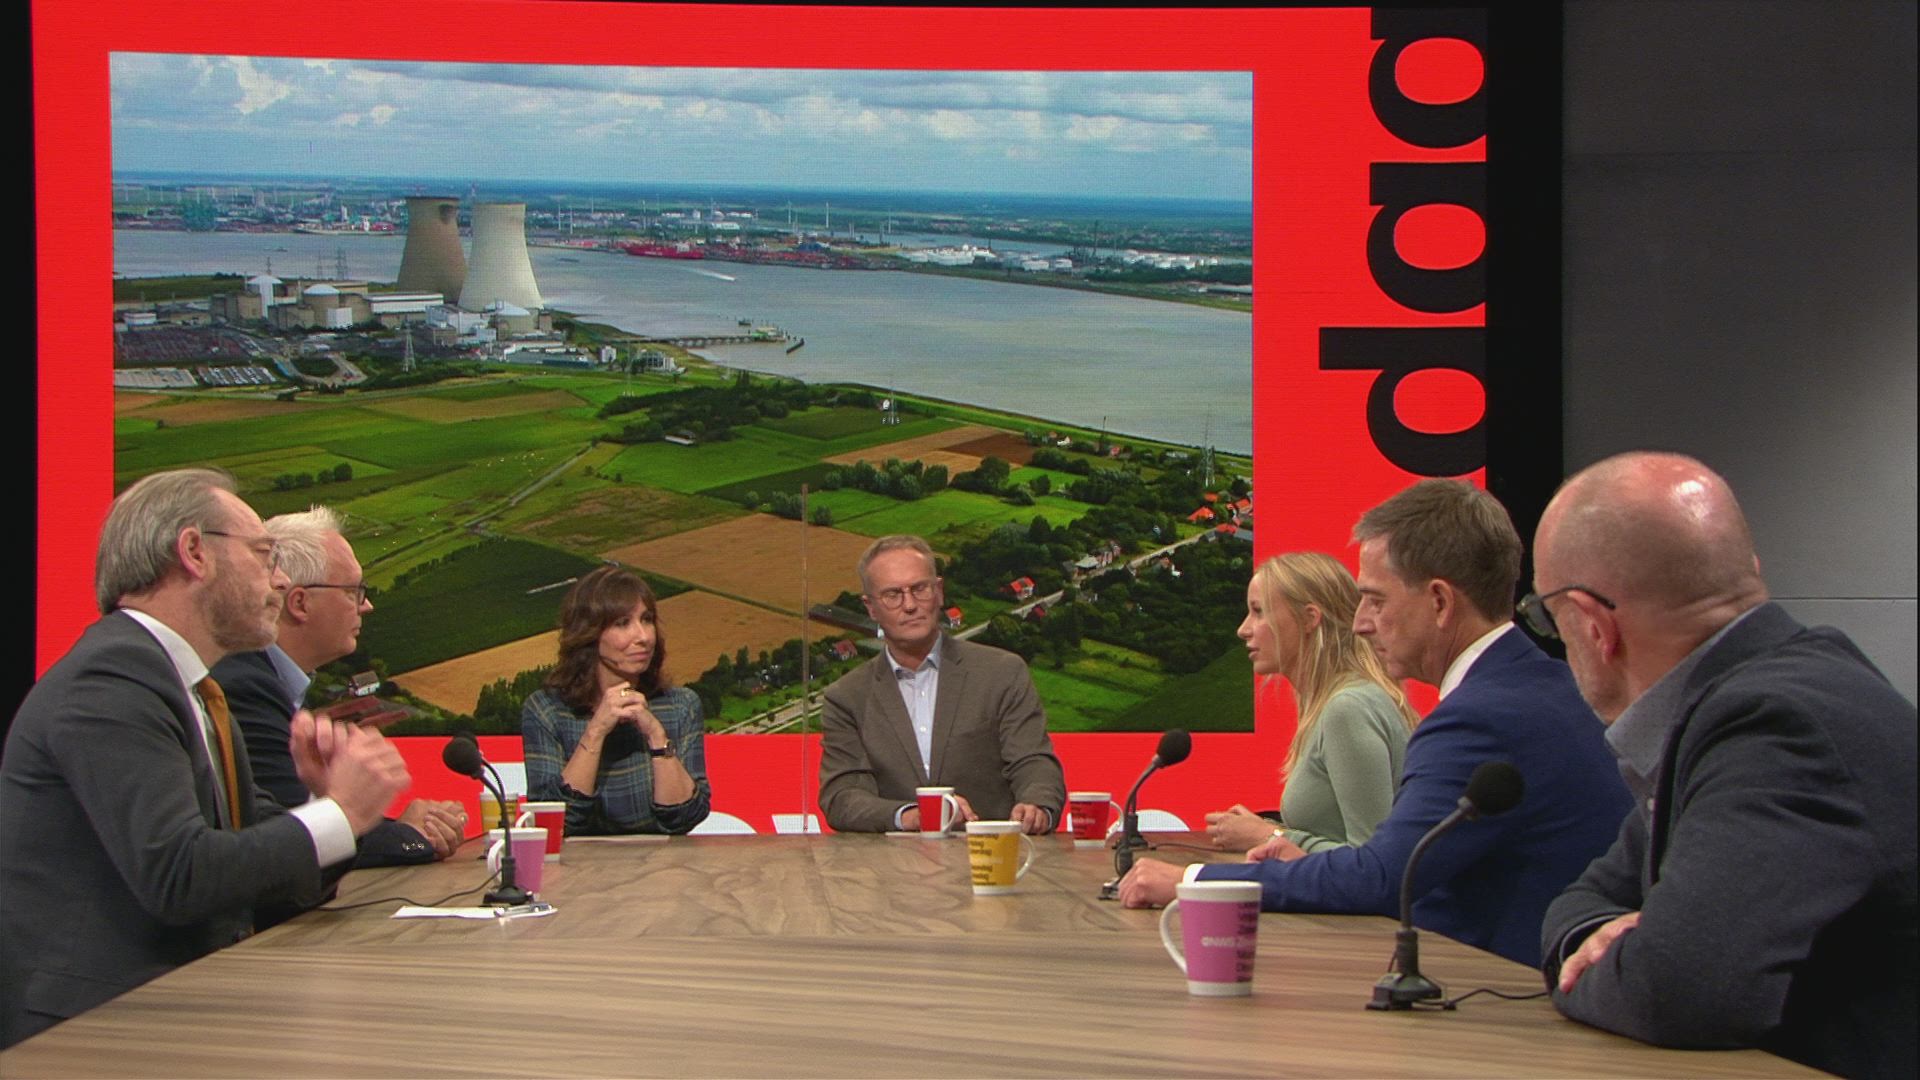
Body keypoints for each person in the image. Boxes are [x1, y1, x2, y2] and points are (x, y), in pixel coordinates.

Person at [1119, 479, 1630, 968]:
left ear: (1439, 602)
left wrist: (1194, 881)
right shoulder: (1552, 685)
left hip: (1500, 993)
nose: (1361, 622)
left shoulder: (1479, 719)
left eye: (1376, 600)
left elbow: (1382, 876)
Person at [1532, 452, 1916, 1080]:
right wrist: (1597, 936)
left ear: (1594, 625)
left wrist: (1605, 962)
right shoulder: (1765, 697)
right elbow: (1587, 898)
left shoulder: (1772, 727)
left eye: (1548, 619)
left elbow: (1678, 992)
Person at [0, 468, 409, 1048]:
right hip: (92, 1033)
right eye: (264, 555)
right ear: (194, 552)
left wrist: (324, 803)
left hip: (165, 1010)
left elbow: (254, 861)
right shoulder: (111, 680)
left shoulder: (189, 687)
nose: (280, 579)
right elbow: (180, 875)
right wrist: (339, 814)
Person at [210, 505, 465, 866]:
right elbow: (292, 834)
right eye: (353, 591)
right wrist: (407, 834)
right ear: (299, 603)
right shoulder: (246, 687)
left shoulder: (269, 680)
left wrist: (402, 829)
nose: (367, 606)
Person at [818, 534, 1065, 834]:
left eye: (919, 589)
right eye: (893, 595)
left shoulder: (1002, 672)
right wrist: (913, 816)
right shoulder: (847, 697)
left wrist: (1037, 805)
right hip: (893, 860)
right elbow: (842, 797)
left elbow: (1033, 761)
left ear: (939, 591)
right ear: (871, 607)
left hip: (989, 853)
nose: (910, 605)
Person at [1202, 552, 1419, 854]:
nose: (1243, 629)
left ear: (1309, 618)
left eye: (1259, 611)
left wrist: (1269, 837)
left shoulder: (1348, 708)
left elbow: (1373, 861)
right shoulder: (1337, 701)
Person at [521, 566, 711, 835]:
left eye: (647, 620)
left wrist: (657, 736)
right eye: (622, 623)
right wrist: (596, 731)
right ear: (589, 633)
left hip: (663, 859)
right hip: (577, 860)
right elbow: (553, 821)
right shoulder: (547, 710)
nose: (644, 637)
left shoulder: (680, 706)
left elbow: (684, 817)